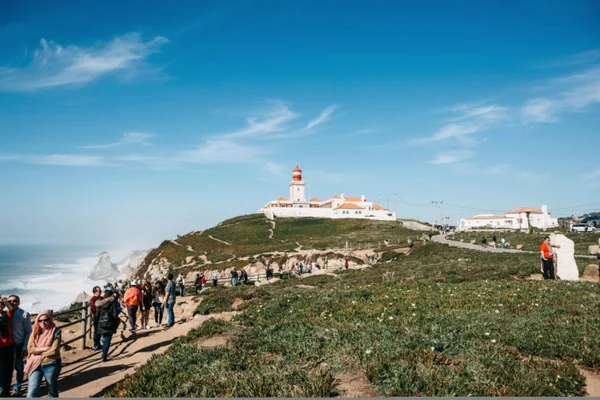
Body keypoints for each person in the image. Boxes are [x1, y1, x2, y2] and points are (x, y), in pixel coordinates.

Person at [25, 311, 62, 398]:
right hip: (35, 364)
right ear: (37, 321)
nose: (43, 323)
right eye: (40, 321)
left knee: (52, 391)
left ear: (50, 320)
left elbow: (54, 350)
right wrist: (44, 349)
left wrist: (37, 351)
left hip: (50, 364)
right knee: (31, 392)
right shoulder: (34, 332)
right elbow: (30, 349)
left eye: (45, 320)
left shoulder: (56, 332)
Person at [8, 295, 32, 396]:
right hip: (7, 346)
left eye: (15, 301)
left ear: (19, 302)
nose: (12, 302)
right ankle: (4, 386)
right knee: (6, 368)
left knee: (19, 368)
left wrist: (25, 346)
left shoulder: (24, 314)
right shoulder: (4, 314)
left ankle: (17, 386)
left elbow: (28, 332)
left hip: (19, 345)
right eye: (10, 301)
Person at [96, 284, 122, 362]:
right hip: (110, 323)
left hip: (101, 322)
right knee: (107, 339)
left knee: (104, 338)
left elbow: (98, 313)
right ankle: (104, 355)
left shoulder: (101, 302)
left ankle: (103, 353)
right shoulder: (113, 302)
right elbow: (115, 314)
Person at [0, 297, 16, 398]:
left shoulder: (7, 314)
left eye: (1, 304)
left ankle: (6, 389)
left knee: (8, 368)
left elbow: (12, 309)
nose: (0, 305)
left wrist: (5, 301)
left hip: (8, 345)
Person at [90, 286, 102, 350]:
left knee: (99, 331)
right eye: (99, 291)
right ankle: (96, 345)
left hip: (101, 317)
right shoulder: (93, 299)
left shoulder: (100, 298)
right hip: (96, 317)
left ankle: (98, 344)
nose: (100, 292)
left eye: (100, 291)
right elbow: (92, 308)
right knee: (96, 331)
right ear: (95, 292)